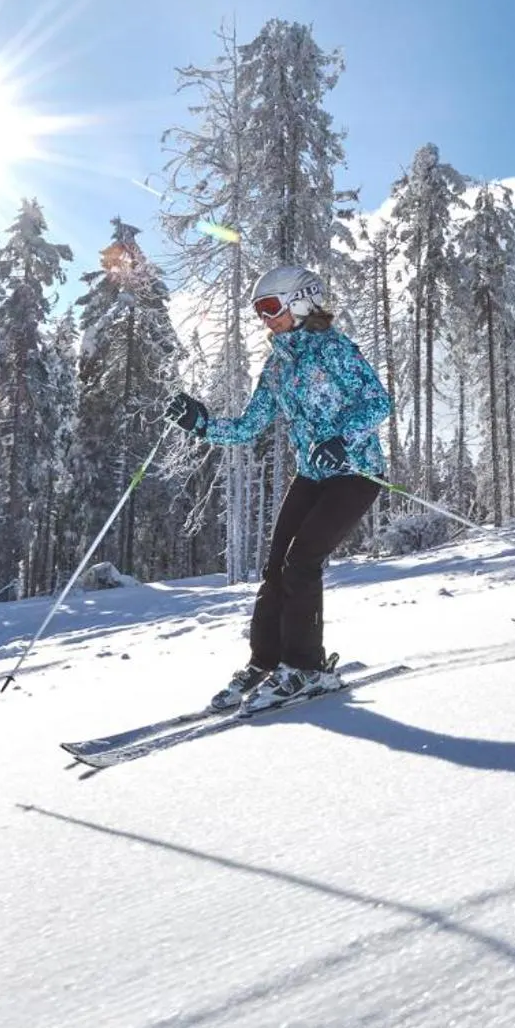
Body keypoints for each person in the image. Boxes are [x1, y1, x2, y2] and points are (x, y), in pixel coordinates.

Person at [165, 265, 393, 713]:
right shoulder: (277, 365)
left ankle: (307, 668)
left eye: (270, 307)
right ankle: (265, 662)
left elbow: (378, 401)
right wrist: (202, 424)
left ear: (302, 300)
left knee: (302, 562)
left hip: (355, 471)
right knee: (276, 569)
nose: (264, 319)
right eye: (258, 311)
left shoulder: (334, 349)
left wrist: (341, 437)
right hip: (312, 475)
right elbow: (250, 425)